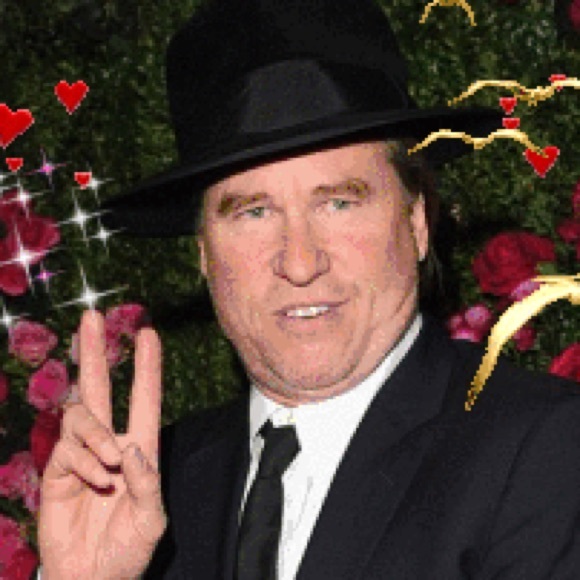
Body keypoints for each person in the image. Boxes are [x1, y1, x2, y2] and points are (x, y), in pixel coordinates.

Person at [37, 0, 580, 578]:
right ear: (203, 253)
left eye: (338, 202)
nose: (299, 263)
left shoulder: (543, 451)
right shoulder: (141, 488)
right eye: (253, 212)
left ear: (417, 222)